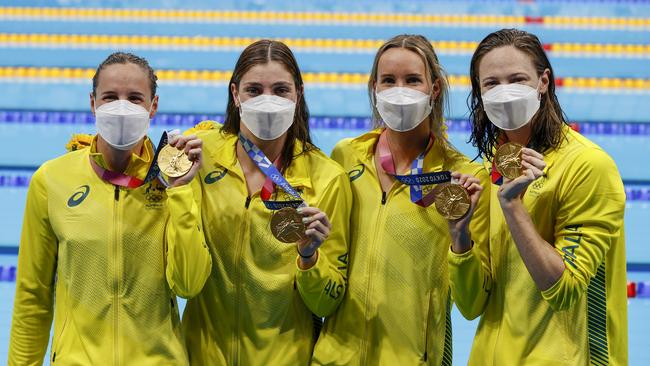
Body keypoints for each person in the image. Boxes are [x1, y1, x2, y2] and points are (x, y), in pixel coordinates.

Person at [8, 52, 211, 365]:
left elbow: (189, 284)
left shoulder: (174, 181)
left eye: (134, 98)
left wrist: (181, 190)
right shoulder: (51, 180)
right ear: (93, 103)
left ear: (153, 106)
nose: (122, 108)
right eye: (110, 97)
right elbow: (32, 296)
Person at [449, 28, 627, 365]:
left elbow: (564, 290)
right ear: (479, 94)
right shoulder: (492, 168)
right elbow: (471, 306)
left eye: (517, 79)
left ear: (543, 82)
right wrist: (460, 237)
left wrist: (513, 206)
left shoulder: (588, 165)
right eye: (492, 84)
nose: (505, 92)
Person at [311, 34, 489, 365]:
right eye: (389, 81)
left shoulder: (463, 179)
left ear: (434, 90)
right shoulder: (346, 156)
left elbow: (471, 303)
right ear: (374, 88)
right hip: (335, 358)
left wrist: (460, 237)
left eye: (412, 80)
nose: (399, 90)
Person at [180, 40, 352, 365]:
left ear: (298, 95)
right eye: (254, 90)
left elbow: (328, 303)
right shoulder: (201, 156)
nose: (267, 101)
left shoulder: (327, 179)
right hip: (200, 355)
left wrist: (308, 256)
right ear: (235, 94)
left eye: (280, 90)